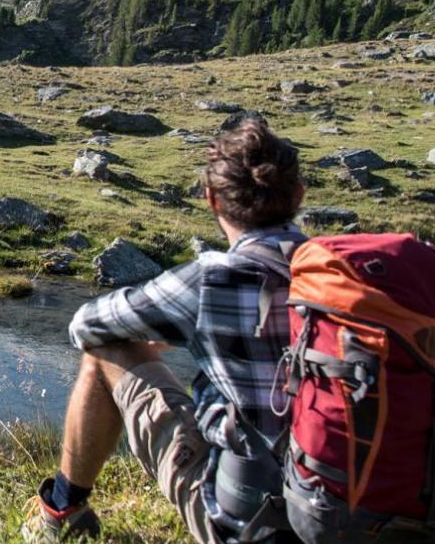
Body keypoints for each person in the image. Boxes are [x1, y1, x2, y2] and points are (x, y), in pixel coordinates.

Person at [24, 116, 307, 543]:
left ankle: (60, 513)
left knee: (104, 351)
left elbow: (85, 326)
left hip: (258, 526)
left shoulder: (212, 280)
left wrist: (168, 331)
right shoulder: (355, 278)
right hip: (385, 515)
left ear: (212, 199)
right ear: (299, 195)